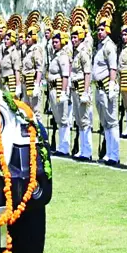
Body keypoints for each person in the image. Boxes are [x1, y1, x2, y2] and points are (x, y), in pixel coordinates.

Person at [93, 13, 120, 165]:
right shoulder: (100, 46)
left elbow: (113, 67)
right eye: (98, 30)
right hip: (99, 88)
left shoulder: (109, 46)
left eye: (102, 29)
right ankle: (108, 152)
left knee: (112, 121)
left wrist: (111, 84)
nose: (99, 32)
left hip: (106, 87)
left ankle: (114, 154)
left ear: (108, 31)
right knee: (105, 122)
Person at [70, 20, 93, 161]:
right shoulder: (75, 52)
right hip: (74, 89)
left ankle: (87, 150)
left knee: (85, 121)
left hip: (81, 90)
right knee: (79, 120)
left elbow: (87, 73)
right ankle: (82, 149)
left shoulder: (83, 52)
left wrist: (85, 91)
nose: (73, 40)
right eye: (72, 37)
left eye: (75, 37)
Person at [48, 26, 72, 157]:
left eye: (56, 41)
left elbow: (65, 75)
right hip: (52, 88)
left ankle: (64, 146)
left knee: (63, 118)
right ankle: (61, 145)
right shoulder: (54, 55)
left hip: (58, 88)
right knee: (58, 118)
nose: (54, 43)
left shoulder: (63, 56)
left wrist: (63, 91)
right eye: (53, 41)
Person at [21, 23, 45, 122]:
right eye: (26, 36)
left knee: (36, 112)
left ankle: (40, 135)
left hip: (33, 82)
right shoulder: (27, 50)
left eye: (29, 37)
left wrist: (37, 85)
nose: (27, 39)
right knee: (26, 109)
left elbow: (39, 68)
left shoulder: (36, 50)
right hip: (25, 83)